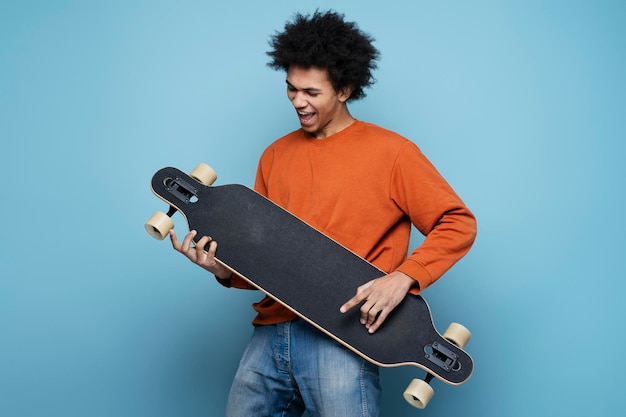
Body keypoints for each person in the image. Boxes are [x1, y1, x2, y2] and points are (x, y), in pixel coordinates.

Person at [169, 10, 476, 417]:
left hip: (343, 339)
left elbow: (457, 222)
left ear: (345, 89)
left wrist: (404, 277)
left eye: (311, 92)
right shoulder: (275, 155)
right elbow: (260, 257)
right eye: (291, 89)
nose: (298, 101)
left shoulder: (391, 152)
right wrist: (223, 271)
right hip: (270, 333)